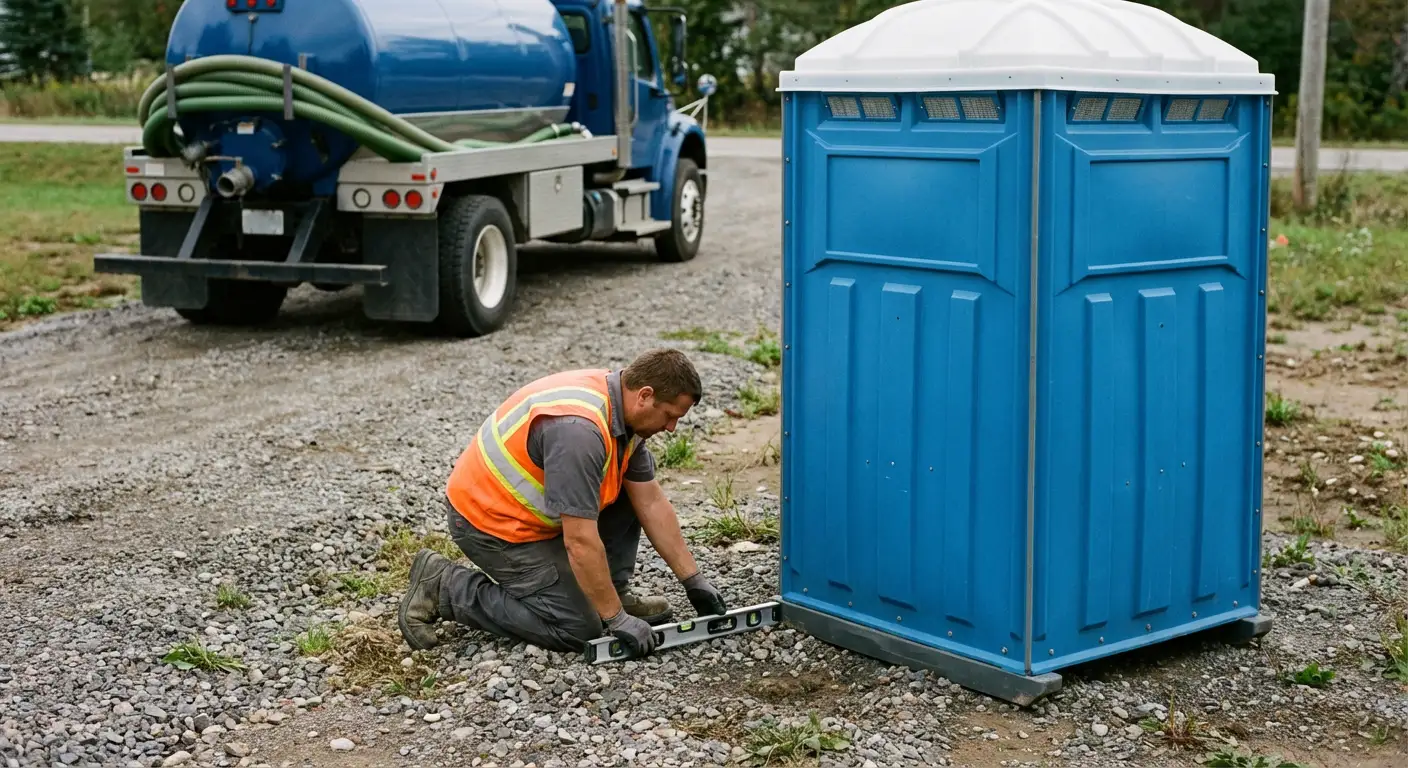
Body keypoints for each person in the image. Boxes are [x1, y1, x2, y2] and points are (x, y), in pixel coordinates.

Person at [396, 348, 729, 658]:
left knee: (629, 492)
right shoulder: (579, 432)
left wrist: (693, 580)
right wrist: (615, 619)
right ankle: (444, 586)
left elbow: (651, 502)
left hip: (535, 516)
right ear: (644, 395)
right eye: (669, 415)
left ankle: (610, 592)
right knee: (578, 629)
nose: (671, 428)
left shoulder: (623, 412)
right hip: (492, 525)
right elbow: (579, 540)